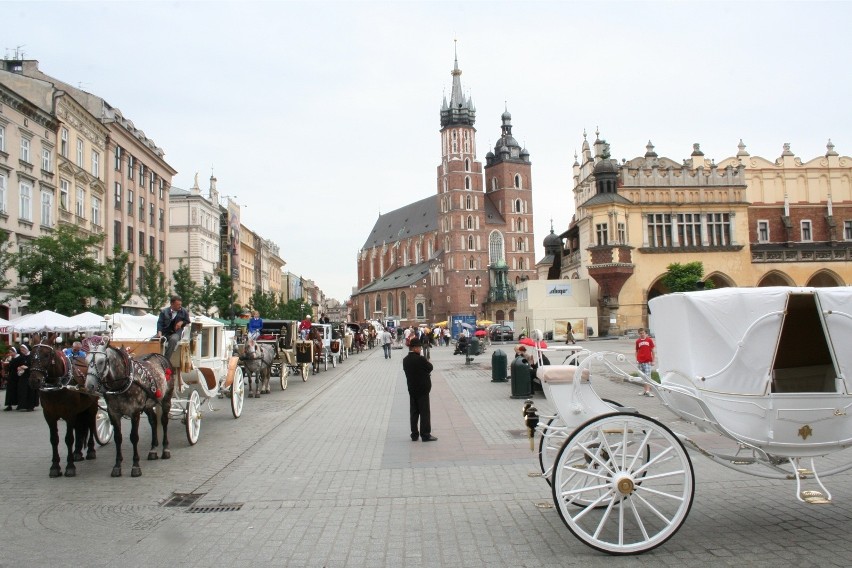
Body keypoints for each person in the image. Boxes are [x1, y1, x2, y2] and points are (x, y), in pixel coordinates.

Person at [403, 339, 436, 442]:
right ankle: (425, 434)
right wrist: (426, 360)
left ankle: (414, 434)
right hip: (422, 389)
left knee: (414, 412)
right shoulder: (420, 359)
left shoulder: (405, 359)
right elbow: (430, 367)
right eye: (420, 348)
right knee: (424, 412)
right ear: (415, 348)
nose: (421, 349)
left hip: (412, 389)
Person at [157, 295, 192, 365]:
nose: (180, 306)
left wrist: (181, 322)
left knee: (173, 340)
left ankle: (165, 360)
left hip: (176, 333)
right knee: (153, 340)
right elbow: (160, 323)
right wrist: (159, 333)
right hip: (165, 332)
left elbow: (187, 321)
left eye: (180, 304)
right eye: (178, 305)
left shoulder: (184, 311)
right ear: (172, 304)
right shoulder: (164, 312)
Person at [11, 344, 37, 411]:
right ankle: (23, 405)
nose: (22, 351)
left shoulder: (32, 356)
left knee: (30, 391)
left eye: (23, 349)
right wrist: (19, 368)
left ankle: (30, 406)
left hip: (31, 375)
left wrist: (27, 367)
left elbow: (35, 366)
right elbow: (17, 365)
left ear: (27, 349)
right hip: (23, 376)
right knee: (22, 390)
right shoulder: (22, 357)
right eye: (21, 350)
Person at [635, 327, 656, 397]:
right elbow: (637, 351)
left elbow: (653, 351)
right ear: (639, 334)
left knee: (647, 377)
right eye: (640, 333)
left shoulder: (649, 340)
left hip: (647, 361)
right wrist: (637, 359)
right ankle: (645, 390)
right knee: (643, 377)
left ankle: (648, 391)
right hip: (640, 362)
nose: (642, 334)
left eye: (643, 333)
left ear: (645, 333)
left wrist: (653, 360)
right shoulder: (638, 341)